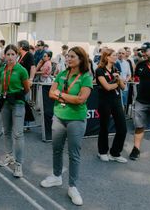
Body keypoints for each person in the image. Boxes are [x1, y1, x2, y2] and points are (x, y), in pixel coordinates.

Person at [40, 46, 93, 206]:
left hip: (76, 119)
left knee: (73, 153)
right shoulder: (62, 74)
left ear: (81, 59)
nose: (68, 59)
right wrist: (68, 97)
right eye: (68, 56)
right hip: (59, 117)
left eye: (72, 57)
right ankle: (56, 176)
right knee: (56, 149)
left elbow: (81, 99)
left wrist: (60, 95)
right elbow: (50, 93)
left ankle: (73, 187)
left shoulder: (86, 77)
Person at [0, 44, 30, 178]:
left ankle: (18, 164)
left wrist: (16, 95)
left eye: (12, 54)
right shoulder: (2, 69)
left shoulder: (21, 70)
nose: (10, 57)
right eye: (8, 54)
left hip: (17, 104)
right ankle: (9, 156)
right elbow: (0, 85)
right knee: (6, 131)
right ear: (4, 55)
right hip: (5, 103)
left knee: (18, 134)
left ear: (17, 55)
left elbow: (27, 88)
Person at [95, 49, 127, 163]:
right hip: (105, 101)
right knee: (104, 127)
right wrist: (118, 82)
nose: (116, 56)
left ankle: (115, 153)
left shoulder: (116, 69)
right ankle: (102, 151)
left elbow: (123, 87)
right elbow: (107, 87)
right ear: (107, 57)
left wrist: (118, 80)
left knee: (122, 128)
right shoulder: (99, 70)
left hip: (116, 100)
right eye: (113, 55)